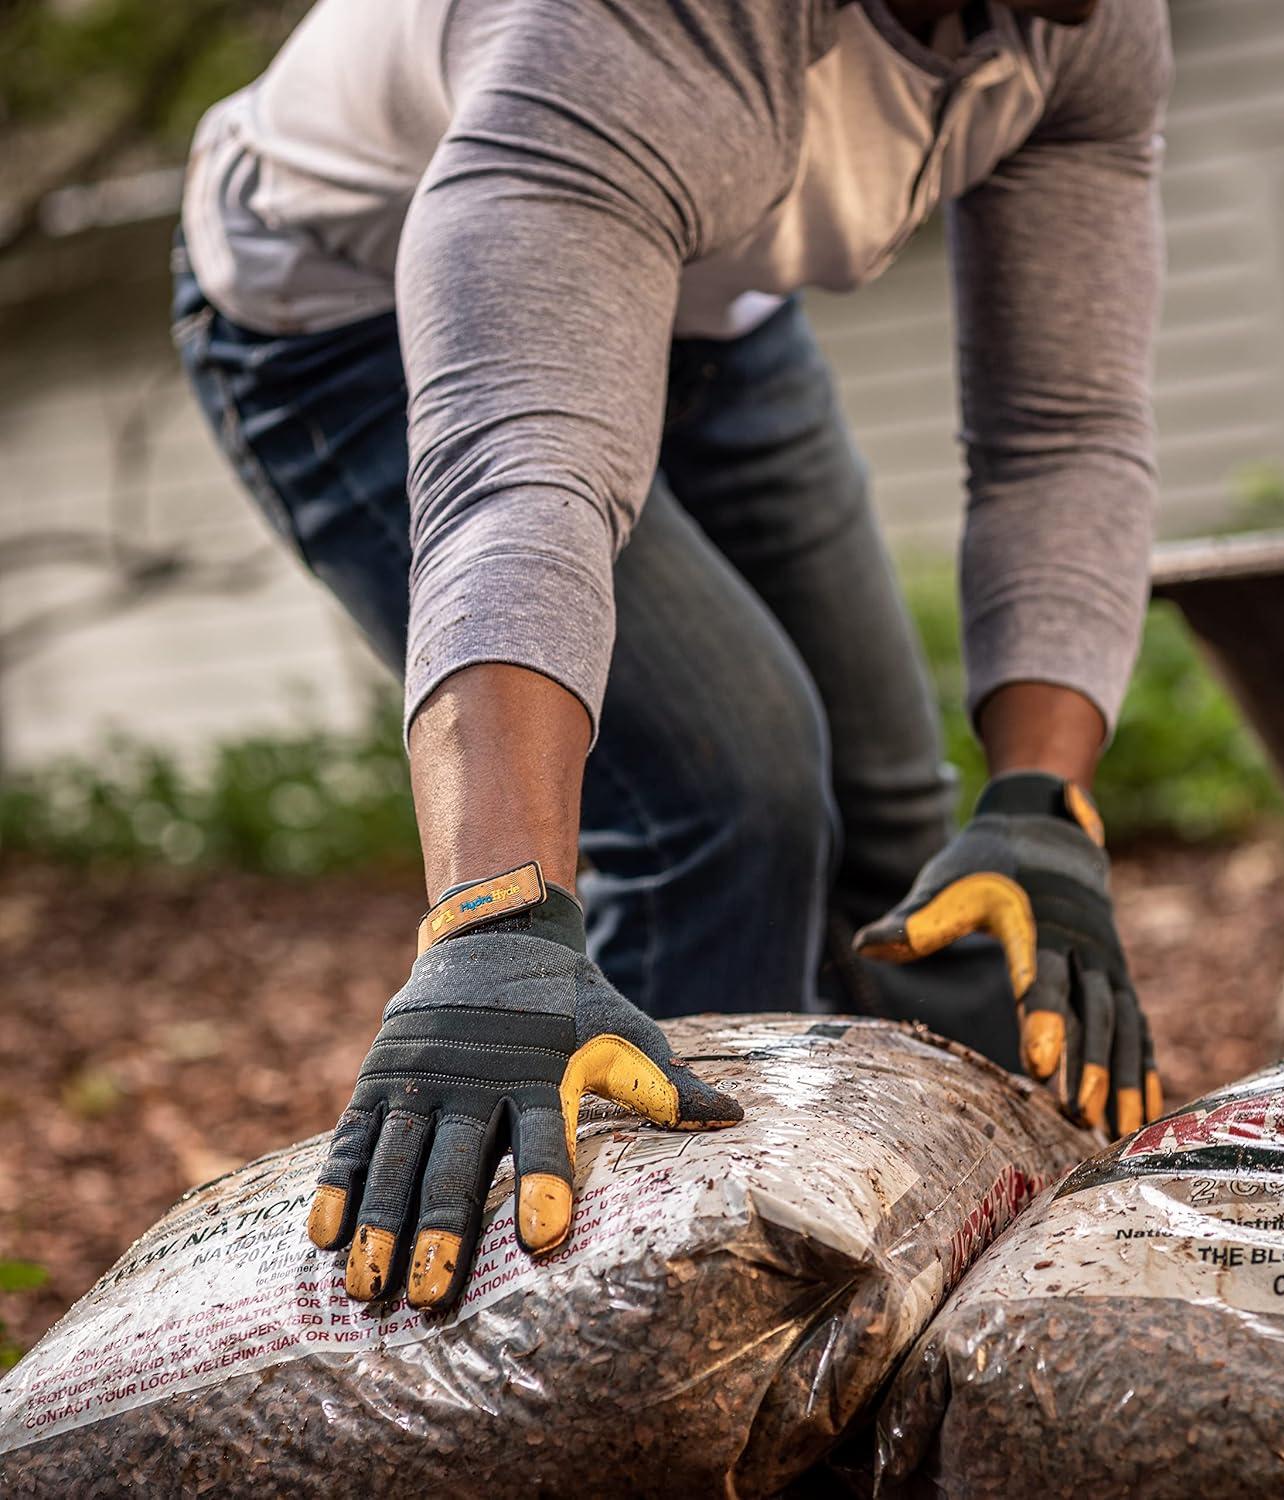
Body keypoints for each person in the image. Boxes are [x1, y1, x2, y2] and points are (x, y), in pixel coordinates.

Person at [173, 0, 1171, 1311]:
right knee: (726, 792)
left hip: (719, 296)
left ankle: (989, 1287)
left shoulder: (1084, 27)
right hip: (344, 312)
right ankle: (674, 1329)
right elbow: (521, 472)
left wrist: (1044, 803)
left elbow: (1064, 431)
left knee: (900, 831)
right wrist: (495, 925)